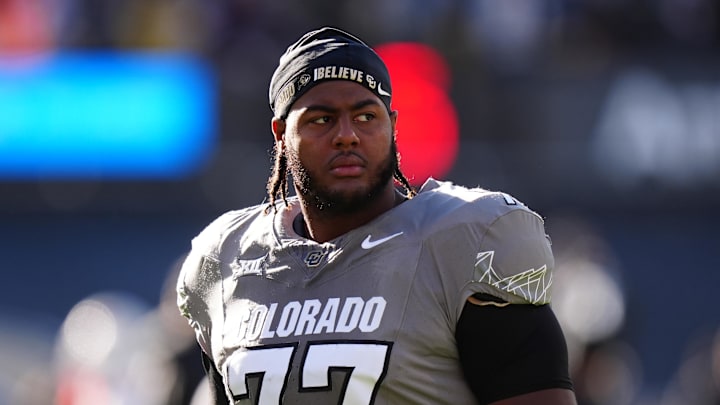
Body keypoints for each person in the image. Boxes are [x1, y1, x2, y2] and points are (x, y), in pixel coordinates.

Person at [176, 26, 577, 405]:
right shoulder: (227, 259)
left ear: (393, 126)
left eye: (366, 116)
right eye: (322, 119)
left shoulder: (466, 240)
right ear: (281, 134)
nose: (347, 134)